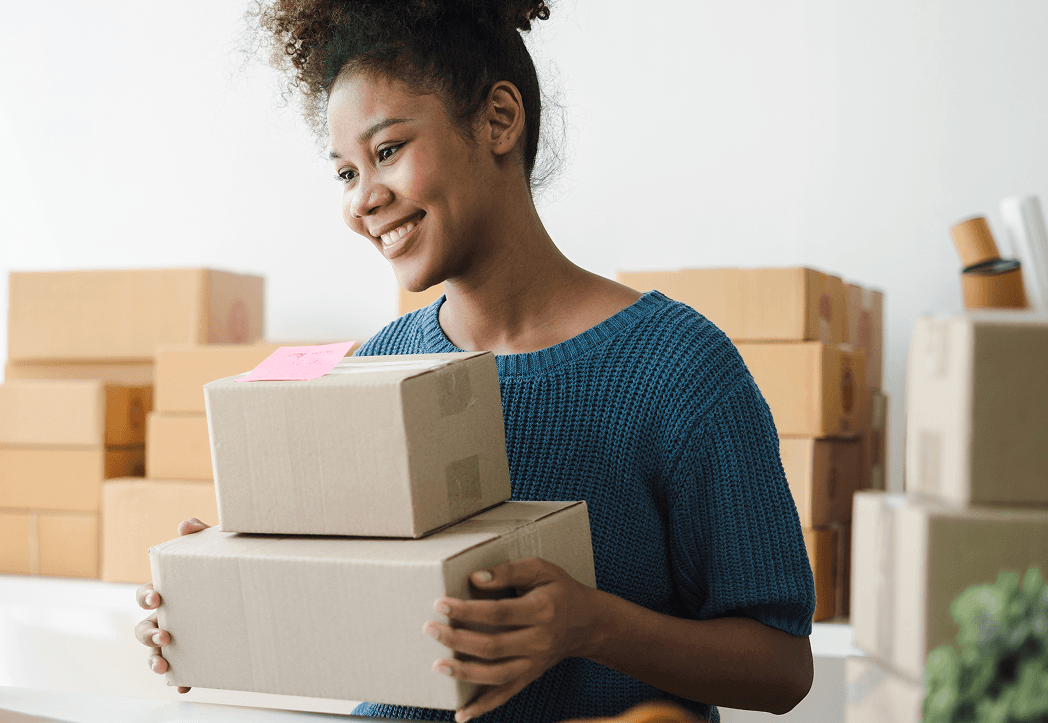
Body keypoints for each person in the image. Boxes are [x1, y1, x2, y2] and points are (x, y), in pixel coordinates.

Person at [136, 2, 816, 721]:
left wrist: (592, 624)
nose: (362, 200)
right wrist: (222, 590)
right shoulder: (381, 368)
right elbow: (357, 605)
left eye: (388, 150)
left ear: (498, 119)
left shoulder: (678, 369)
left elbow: (781, 666)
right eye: (343, 172)